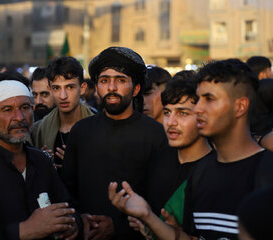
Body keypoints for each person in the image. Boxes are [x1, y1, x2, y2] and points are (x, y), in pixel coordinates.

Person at [109, 59, 273, 240]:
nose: (199, 108)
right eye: (199, 99)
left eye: (209, 99)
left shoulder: (267, 172)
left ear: (240, 106)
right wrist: (148, 216)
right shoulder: (200, 174)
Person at [61, 47, 167, 240]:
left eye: (120, 80)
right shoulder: (81, 131)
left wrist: (118, 227)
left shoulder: (156, 135)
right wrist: (79, 221)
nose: (111, 88)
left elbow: (161, 202)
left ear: (135, 89)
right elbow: (66, 189)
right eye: (104, 81)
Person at [0, 80, 81, 240]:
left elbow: (66, 206)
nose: (19, 117)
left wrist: (73, 224)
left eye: (25, 108)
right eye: (7, 110)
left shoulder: (42, 161)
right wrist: (22, 230)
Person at [146, 70, 214, 219]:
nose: (171, 122)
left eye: (182, 113)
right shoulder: (156, 159)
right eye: (167, 112)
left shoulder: (216, 171)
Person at [31, 57, 94, 169]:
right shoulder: (38, 131)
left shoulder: (98, 128)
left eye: (70, 87)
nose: (63, 96)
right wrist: (39, 160)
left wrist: (79, 165)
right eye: (56, 88)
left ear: (82, 88)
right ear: (49, 88)